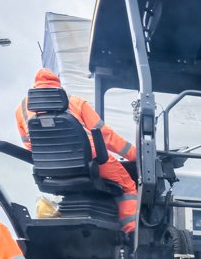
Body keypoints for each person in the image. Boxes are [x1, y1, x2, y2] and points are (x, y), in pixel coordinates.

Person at [15, 68, 139, 234]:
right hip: (90, 163)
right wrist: (135, 155)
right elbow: (106, 135)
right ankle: (131, 233)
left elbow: (30, 145)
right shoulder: (75, 102)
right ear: (58, 86)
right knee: (128, 186)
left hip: (51, 171)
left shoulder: (21, 110)